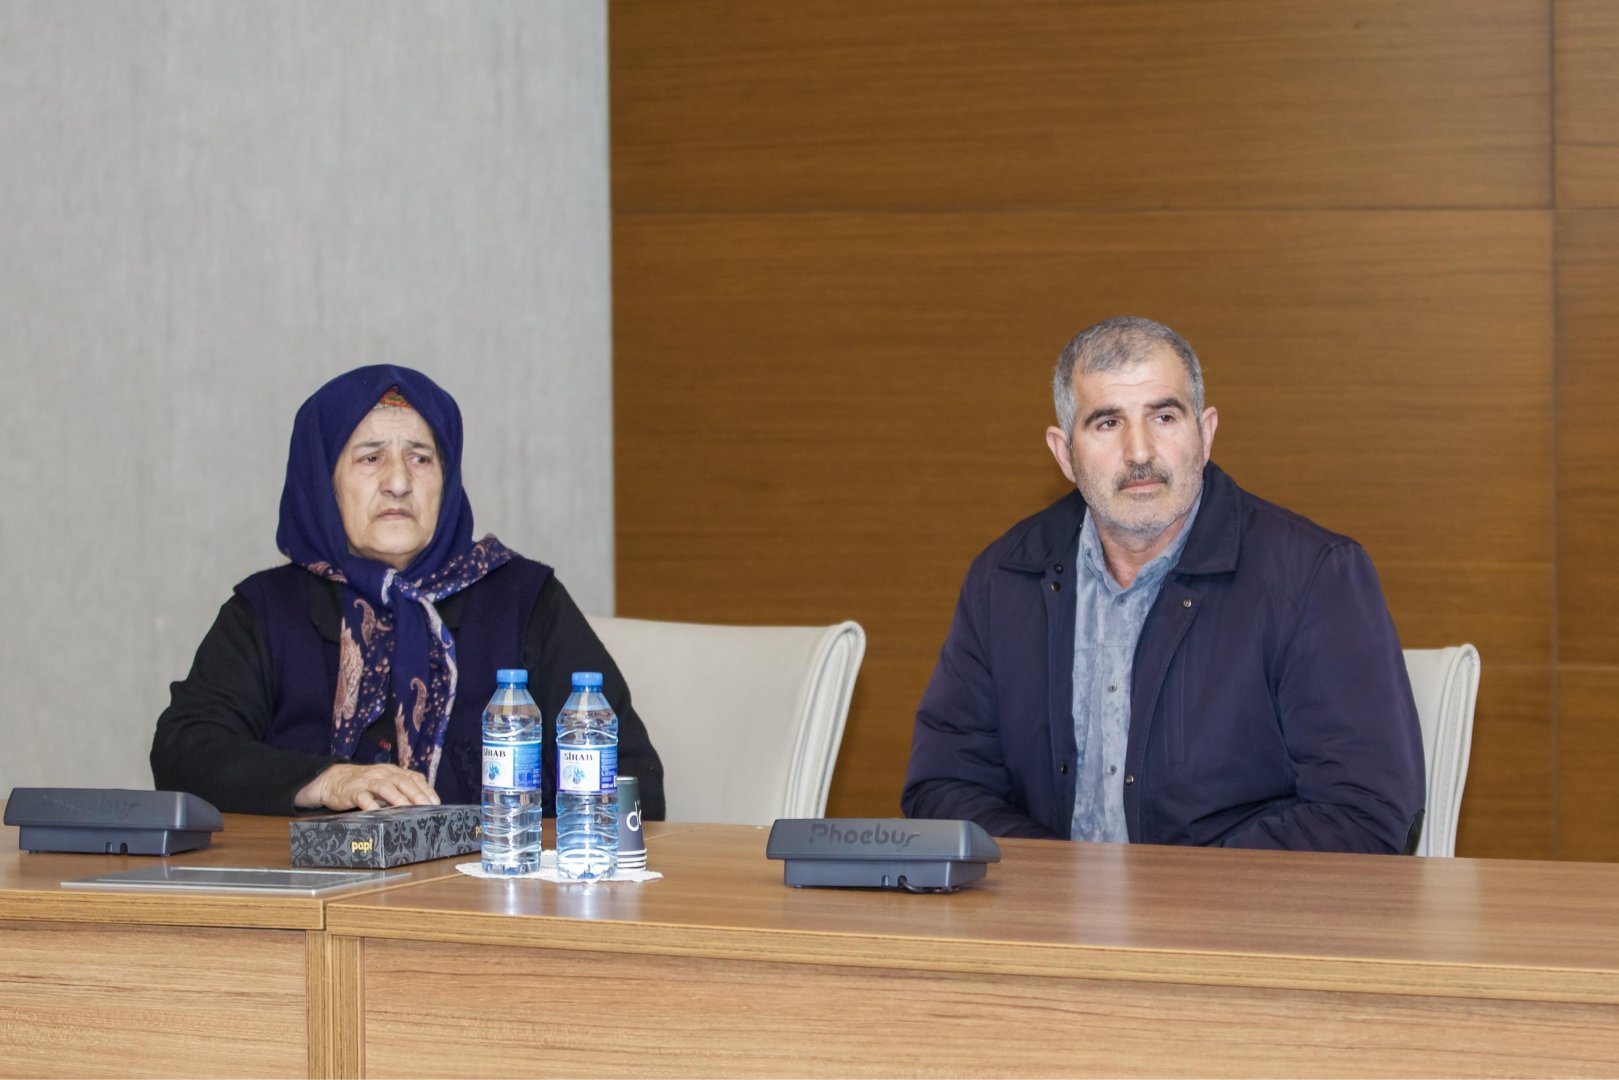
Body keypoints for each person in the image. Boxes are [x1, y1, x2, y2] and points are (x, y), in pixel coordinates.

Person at [902, 316, 1424, 853]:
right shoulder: (1004, 579)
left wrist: (1171, 892)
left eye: (1165, 417)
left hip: (1232, 907)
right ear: (1064, 454)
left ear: (1206, 433)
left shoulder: (1313, 576)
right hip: (1048, 904)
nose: (1140, 452)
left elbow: (1364, 813)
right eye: (1108, 423)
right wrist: (1062, 880)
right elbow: (945, 786)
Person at [152, 365, 665, 818]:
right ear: (325, 483)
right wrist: (328, 781)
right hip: (308, 887)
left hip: (492, 886)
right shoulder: (269, 610)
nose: (398, 482)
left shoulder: (523, 600)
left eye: (421, 458)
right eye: (370, 458)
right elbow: (184, 752)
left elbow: (630, 779)